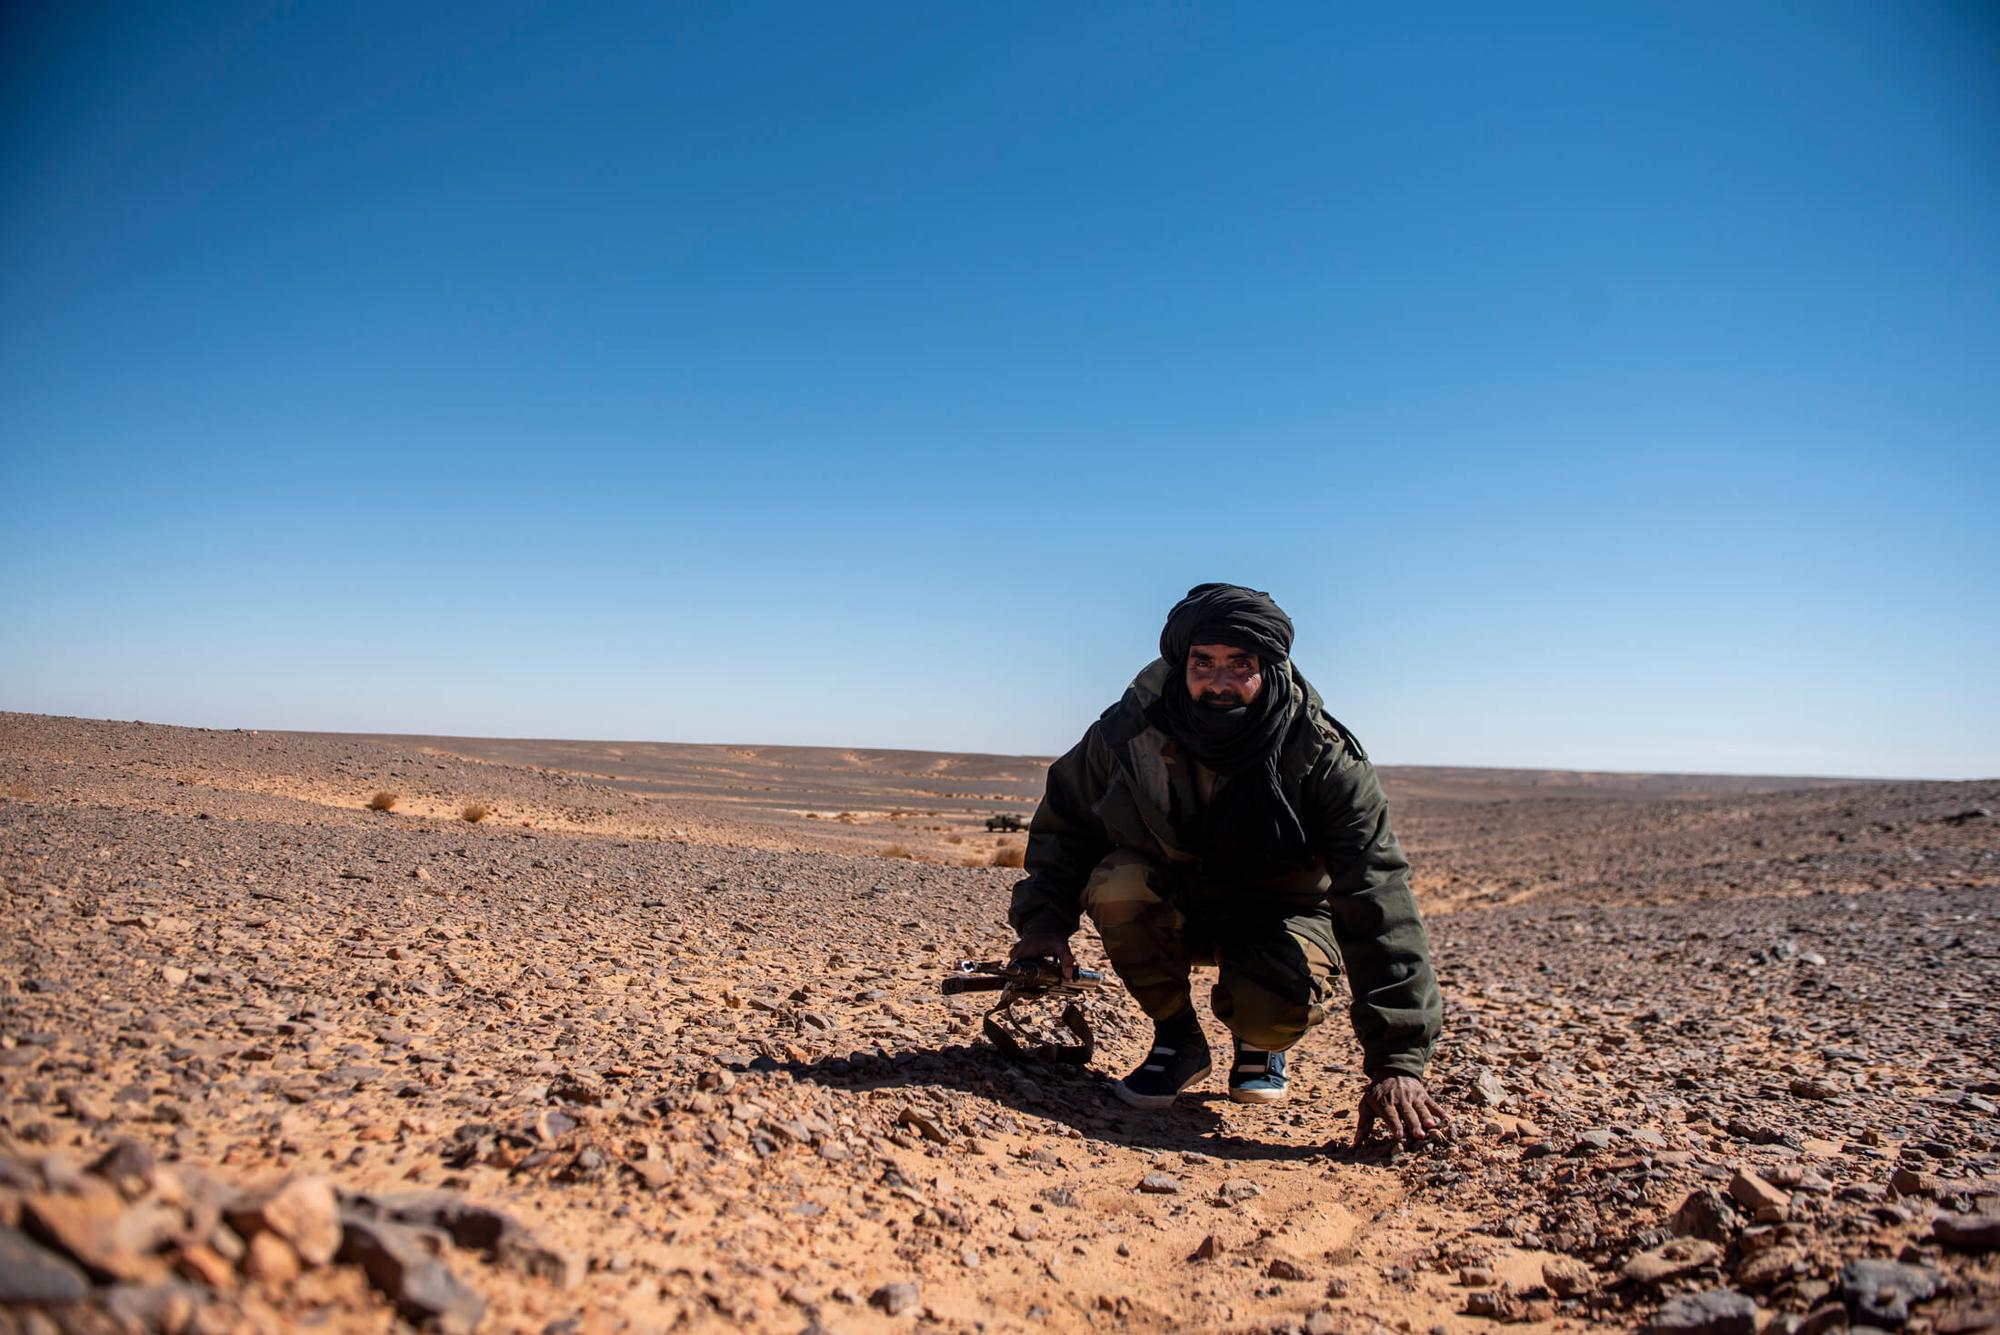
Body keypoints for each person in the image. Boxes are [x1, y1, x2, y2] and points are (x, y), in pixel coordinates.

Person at [1007, 583, 1445, 1145]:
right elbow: (1066, 829)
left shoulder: (1321, 754)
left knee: (1269, 1010)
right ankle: (1177, 1039)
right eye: (1203, 662)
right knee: (1117, 883)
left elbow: (1377, 894)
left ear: (1269, 666)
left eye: (1240, 664)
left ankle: (1258, 1041)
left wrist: (1397, 1062)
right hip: (1179, 902)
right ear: (1181, 663)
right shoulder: (1127, 734)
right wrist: (1044, 926)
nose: (1218, 681)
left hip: (1285, 914)